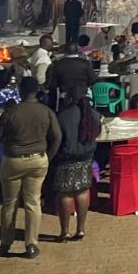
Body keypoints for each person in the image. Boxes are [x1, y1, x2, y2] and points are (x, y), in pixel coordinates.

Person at [0, 76, 61, 259]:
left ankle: (5, 243)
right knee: (33, 202)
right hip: (38, 159)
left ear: (20, 91)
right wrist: (48, 156)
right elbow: (57, 136)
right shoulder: (46, 111)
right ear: (36, 91)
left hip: (13, 159)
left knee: (10, 203)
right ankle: (31, 244)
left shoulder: (12, 111)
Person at [53, 85, 101, 242]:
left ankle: (65, 231)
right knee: (82, 191)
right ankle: (81, 229)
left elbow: (56, 137)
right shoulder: (93, 115)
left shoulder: (62, 116)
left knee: (65, 194)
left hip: (66, 160)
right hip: (85, 159)